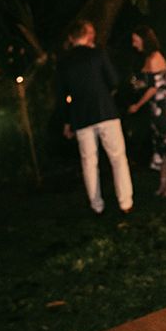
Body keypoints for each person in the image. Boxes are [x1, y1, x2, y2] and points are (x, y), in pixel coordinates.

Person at [57, 20, 134, 214]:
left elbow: (62, 95)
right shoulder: (97, 53)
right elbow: (114, 80)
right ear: (85, 34)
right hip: (105, 112)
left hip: (81, 117)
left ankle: (96, 205)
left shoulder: (64, 61)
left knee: (89, 163)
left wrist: (67, 122)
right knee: (118, 158)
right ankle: (125, 203)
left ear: (71, 38)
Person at [129, 26, 166, 197]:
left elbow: (154, 87)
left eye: (135, 39)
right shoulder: (148, 58)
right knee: (161, 143)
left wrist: (137, 105)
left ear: (144, 39)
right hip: (156, 106)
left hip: (163, 105)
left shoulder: (155, 57)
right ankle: (164, 181)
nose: (133, 43)